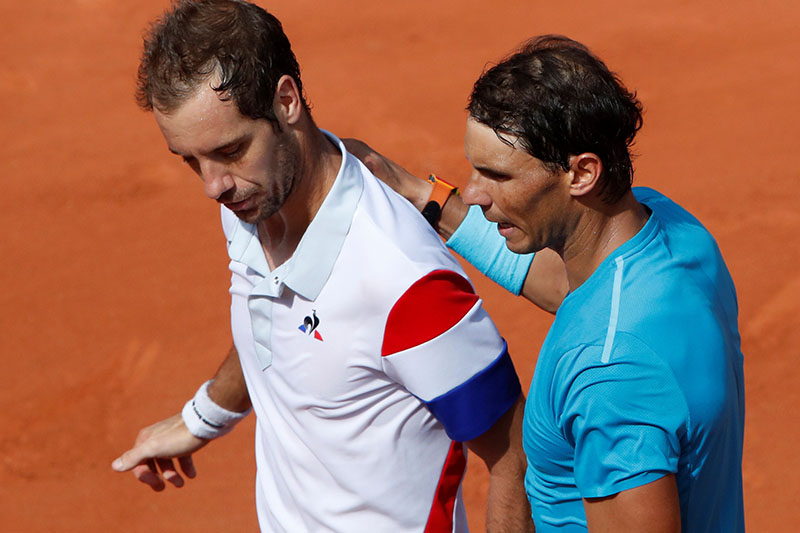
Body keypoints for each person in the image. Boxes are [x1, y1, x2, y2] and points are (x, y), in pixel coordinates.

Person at [110, 1, 534, 532]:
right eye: (191, 161)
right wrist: (205, 417)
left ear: (286, 101)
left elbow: (512, 455)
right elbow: (273, 328)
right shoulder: (255, 201)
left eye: (230, 150)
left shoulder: (403, 282)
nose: (213, 186)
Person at [347, 35, 745, 532]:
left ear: (581, 173)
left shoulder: (611, 374)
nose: (472, 194)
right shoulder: (674, 236)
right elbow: (574, 290)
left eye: (498, 176)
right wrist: (419, 195)